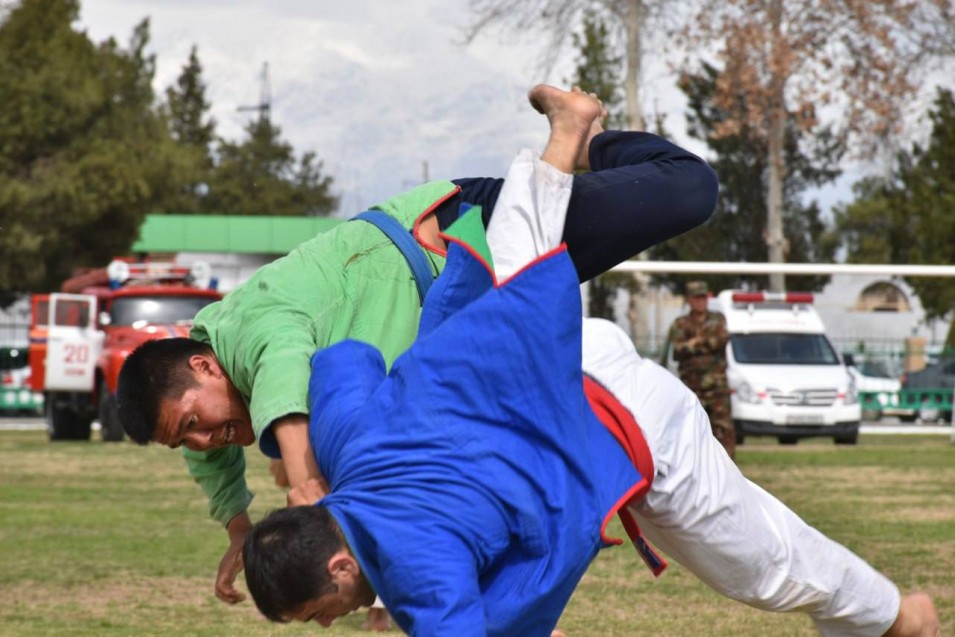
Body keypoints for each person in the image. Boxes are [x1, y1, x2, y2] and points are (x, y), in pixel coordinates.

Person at [241, 91, 940, 637]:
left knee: (762, 568)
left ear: (338, 563)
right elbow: (345, 360)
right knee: (509, 293)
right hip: (566, 363)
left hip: (631, 427)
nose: (329, 623)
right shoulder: (349, 451)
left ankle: (899, 616)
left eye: (318, 613)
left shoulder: (419, 567)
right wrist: (316, 464)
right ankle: (563, 139)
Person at [116, 84, 720, 629]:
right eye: (185, 440)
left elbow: (281, 377)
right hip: (471, 326)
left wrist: (305, 484)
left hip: (463, 242)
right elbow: (218, 460)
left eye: (194, 423)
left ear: (202, 365)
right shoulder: (212, 377)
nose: (205, 442)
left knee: (688, 190)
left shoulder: (256, 325)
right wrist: (241, 533)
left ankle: (579, 137)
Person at [666, 280, 734, 459]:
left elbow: (721, 340)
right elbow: (679, 349)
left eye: (703, 297)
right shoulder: (680, 324)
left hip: (717, 388)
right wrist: (704, 342)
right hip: (692, 387)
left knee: (723, 430)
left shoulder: (718, 318)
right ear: (689, 300)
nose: (701, 301)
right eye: (696, 298)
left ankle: (729, 471)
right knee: (690, 432)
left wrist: (694, 343)